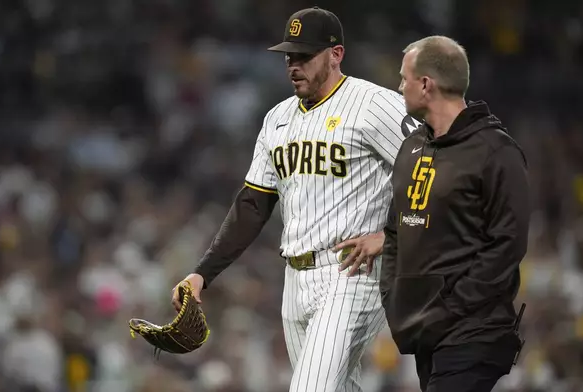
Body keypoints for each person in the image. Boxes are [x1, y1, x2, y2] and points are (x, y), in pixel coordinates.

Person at [171, 6, 409, 392]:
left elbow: (429, 166)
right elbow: (253, 203)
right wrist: (202, 273)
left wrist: (392, 236)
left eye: (304, 56)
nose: (293, 65)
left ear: (336, 54)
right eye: (289, 56)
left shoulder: (374, 104)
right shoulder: (277, 118)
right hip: (295, 279)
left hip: (352, 273)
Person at [380, 35, 529, 392]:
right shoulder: (412, 146)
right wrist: (394, 297)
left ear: (426, 84)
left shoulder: (496, 151)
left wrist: (449, 305)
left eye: (404, 78)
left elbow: (507, 244)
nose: (400, 87)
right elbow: (395, 231)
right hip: (425, 331)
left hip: (474, 331)